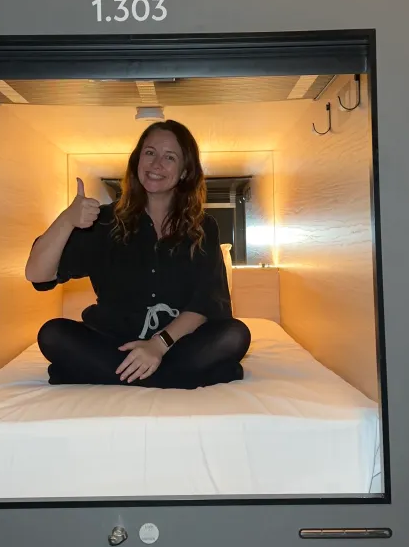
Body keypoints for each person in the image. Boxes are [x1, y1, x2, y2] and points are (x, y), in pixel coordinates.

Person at [25, 120, 251, 389]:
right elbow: (37, 275)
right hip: (114, 343)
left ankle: (118, 374)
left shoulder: (203, 228)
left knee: (235, 335)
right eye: (150, 152)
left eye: (170, 157)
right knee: (52, 334)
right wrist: (66, 220)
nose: (156, 164)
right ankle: (172, 377)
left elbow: (206, 303)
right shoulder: (103, 222)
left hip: (176, 344)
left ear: (184, 172)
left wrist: (158, 345)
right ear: (137, 161)